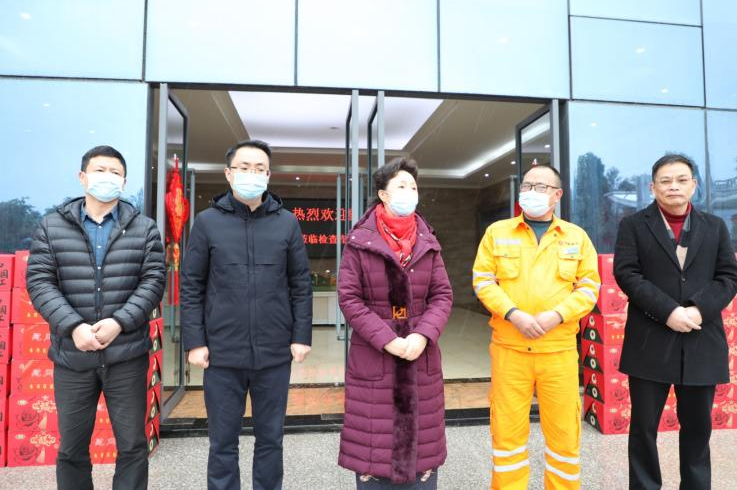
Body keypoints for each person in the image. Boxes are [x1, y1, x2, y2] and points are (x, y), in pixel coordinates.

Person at [26, 145, 166, 490]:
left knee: (132, 446)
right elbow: (40, 281)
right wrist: (73, 326)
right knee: (72, 448)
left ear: (124, 182)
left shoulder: (144, 228)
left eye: (115, 173)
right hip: (72, 357)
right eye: (100, 170)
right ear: (82, 177)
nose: (107, 177)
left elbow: (153, 281)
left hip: (127, 356)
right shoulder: (52, 226)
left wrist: (119, 322)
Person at [180, 139, 312, 490]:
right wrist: (195, 341)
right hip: (222, 353)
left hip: (274, 352)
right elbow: (192, 285)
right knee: (222, 442)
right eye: (244, 167)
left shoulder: (287, 223)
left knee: (271, 439)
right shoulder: (207, 223)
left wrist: (301, 336)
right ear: (229, 173)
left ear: (268, 175)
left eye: (259, 169)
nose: (252, 174)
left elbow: (300, 284)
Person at [472, 164, 600, 489]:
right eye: (527, 186)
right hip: (510, 350)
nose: (531, 192)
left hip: (558, 353)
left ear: (557, 195)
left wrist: (557, 314)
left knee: (564, 436)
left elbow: (589, 288)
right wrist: (513, 313)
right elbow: (483, 281)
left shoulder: (576, 237)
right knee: (507, 435)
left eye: (540, 187)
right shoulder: (497, 232)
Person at [613, 154, 737, 489]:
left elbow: (728, 276)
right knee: (643, 429)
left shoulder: (715, 226)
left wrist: (698, 309)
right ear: (652, 187)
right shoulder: (633, 225)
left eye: (682, 180)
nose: (674, 187)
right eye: (665, 181)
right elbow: (627, 274)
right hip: (649, 342)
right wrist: (668, 311)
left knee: (698, 430)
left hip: (701, 339)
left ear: (693, 185)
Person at [337, 157, 453, 489]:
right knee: (373, 443)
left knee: (422, 452)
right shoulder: (360, 242)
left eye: (413, 187)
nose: (410, 192)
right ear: (383, 195)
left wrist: (423, 335)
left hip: (420, 355)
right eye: (401, 185)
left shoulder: (428, 241)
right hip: (374, 356)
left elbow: (442, 295)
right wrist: (387, 339)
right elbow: (349, 298)